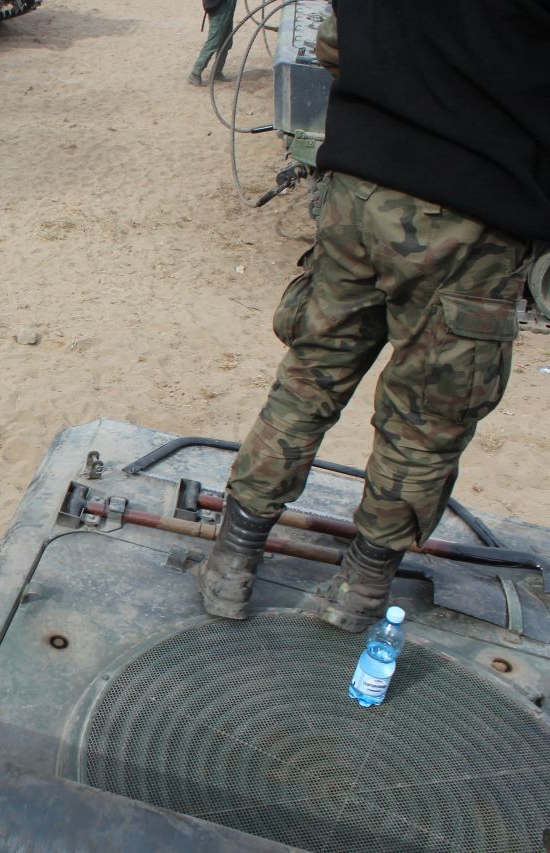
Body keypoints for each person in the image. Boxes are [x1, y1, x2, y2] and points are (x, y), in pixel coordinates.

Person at [197, 0, 550, 632]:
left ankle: (232, 561)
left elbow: (333, 45)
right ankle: (360, 589)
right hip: (475, 215)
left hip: (358, 192)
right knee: (427, 419)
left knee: (309, 378)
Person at [189, 0, 236, 87]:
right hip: (219, 9)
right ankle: (195, 73)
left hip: (228, 7)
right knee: (213, 43)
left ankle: (217, 72)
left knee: (226, 42)